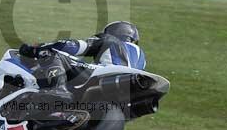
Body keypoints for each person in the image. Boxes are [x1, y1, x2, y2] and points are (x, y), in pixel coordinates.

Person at [16, 21, 146, 117]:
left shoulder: (108, 39)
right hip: (127, 91)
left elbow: (72, 46)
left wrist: (36, 49)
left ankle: (58, 90)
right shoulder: (142, 57)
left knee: (52, 53)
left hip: (107, 74)